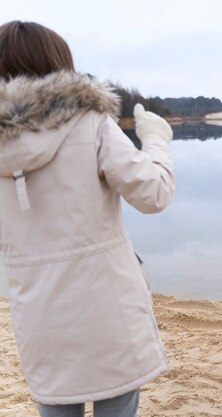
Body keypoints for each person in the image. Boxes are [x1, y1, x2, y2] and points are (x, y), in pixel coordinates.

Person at [0, 21, 174, 416]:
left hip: (39, 314)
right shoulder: (90, 123)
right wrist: (156, 140)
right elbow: (154, 194)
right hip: (107, 309)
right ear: (59, 67)